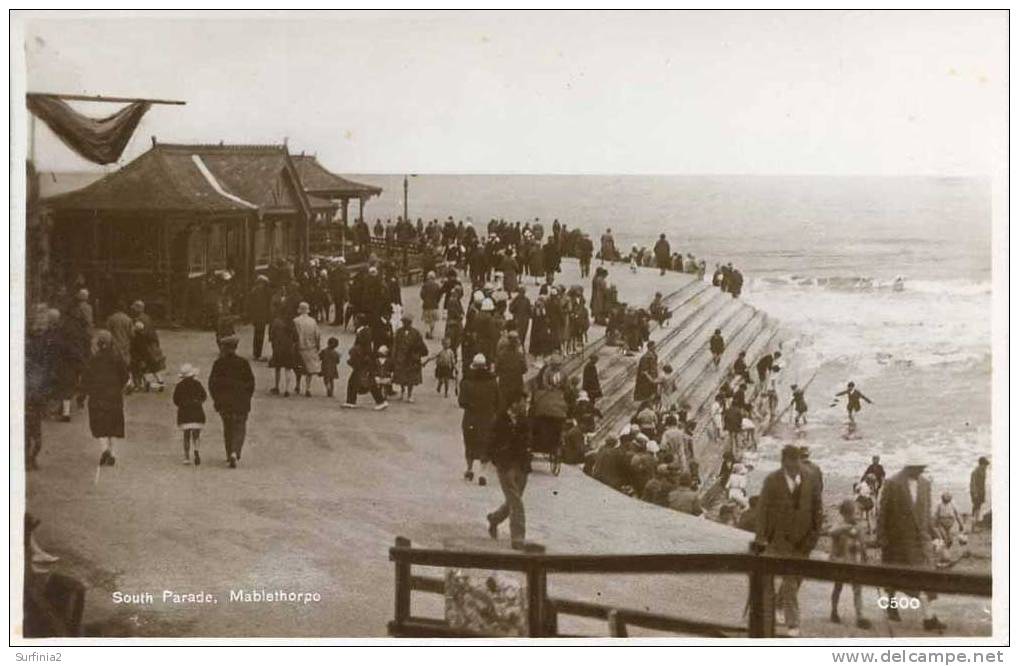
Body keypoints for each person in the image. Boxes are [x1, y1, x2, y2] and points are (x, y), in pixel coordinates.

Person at [753, 445, 823, 638]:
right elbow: (762, 510)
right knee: (789, 582)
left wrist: (814, 536)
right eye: (790, 464)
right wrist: (760, 537)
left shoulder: (811, 478)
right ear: (783, 462)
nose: (794, 468)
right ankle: (792, 624)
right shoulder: (772, 480)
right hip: (778, 539)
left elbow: (818, 509)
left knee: (795, 580)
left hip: (803, 541)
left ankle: (779, 605)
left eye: (797, 463)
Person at [876, 448, 945, 631]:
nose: (922, 470)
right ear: (909, 467)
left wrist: (936, 535)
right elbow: (882, 513)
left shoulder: (925, 484)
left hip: (921, 541)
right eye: (919, 467)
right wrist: (881, 537)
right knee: (893, 577)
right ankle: (892, 605)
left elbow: (927, 514)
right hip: (898, 541)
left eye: (923, 467)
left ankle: (929, 618)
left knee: (927, 580)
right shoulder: (892, 483)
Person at [486, 392, 532, 549]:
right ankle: (518, 538)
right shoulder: (500, 420)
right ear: (514, 403)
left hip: (522, 465)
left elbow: (529, 439)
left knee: (513, 500)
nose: (525, 405)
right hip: (506, 465)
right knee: (516, 501)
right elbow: (491, 440)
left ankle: (494, 519)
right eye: (523, 402)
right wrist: (495, 458)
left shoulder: (525, 420)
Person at [83, 330, 129, 467]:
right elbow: (125, 376)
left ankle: (104, 449)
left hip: (97, 395)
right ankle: (113, 453)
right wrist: (119, 387)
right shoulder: (117, 357)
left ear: (99, 343)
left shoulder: (94, 358)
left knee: (99, 423)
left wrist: (86, 390)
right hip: (114, 395)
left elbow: (86, 377)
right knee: (114, 424)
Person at [207, 336, 255, 468]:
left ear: (224, 348)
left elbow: (212, 384)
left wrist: (216, 399)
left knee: (228, 427)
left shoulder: (218, 364)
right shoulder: (243, 363)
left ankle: (229, 453)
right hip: (241, 401)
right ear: (235, 348)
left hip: (224, 402)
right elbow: (251, 382)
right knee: (240, 427)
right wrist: (247, 397)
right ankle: (235, 451)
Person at [828, 499, 873, 630]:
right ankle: (834, 611)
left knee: (857, 590)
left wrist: (865, 557)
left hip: (855, 563)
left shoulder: (858, 527)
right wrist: (845, 528)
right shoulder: (840, 525)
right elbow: (831, 532)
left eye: (859, 514)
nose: (859, 517)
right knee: (838, 587)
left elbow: (863, 544)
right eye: (856, 513)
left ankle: (860, 616)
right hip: (841, 562)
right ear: (846, 514)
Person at [459, 353, 500, 485]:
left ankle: (470, 469)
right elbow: (498, 402)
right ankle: (482, 473)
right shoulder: (493, 383)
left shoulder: (466, 382)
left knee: (470, 443)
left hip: (471, 418)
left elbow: (462, 402)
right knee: (485, 444)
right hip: (487, 418)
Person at [173, 363, 207, 466]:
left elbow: (175, 400)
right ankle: (196, 450)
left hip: (184, 414)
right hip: (197, 413)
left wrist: (182, 404)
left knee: (186, 435)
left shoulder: (179, 386)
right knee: (196, 435)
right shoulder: (198, 384)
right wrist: (198, 402)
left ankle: (187, 456)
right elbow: (204, 396)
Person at [293, 302, 322, 397]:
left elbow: (294, 335)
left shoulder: (296, 321)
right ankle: (308, 388)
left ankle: (297, 385)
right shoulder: (313, 321)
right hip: (311, 347)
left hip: (299, 347)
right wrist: (318, 345)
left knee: (298, 367)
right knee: (309, 369)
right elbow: (317, 334)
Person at [268, 311, 298, 397]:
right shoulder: (292, 323)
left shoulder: (276, 321)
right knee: (288, 369)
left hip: (278, 347)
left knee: (277, 368)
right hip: (289, 348)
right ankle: (287, 389)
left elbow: (271, 335)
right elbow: (296, 337)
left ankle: (277, 387)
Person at [248, 275, 272, 360]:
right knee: (260, 335)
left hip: (258, 316)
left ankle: (256, 352)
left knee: (257, 334)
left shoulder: (254, 291)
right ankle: (257, 353)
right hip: (261, 316)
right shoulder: (262, 292)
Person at [419, 271, 443, 340]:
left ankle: (427, 332)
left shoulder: (425, 285)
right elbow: (439, 295)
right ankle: (431, 332)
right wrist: (437, 301)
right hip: (434, 305)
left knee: (427, 319)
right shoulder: (437, 285)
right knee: (433, 320)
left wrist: (425, 299)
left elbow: (422, 294)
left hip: (426, 305)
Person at [970, 457, 989, 530]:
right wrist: (975, 493)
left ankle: (976, 524)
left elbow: (982, 484)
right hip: (976, 492)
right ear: (981, 464)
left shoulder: (983, 471)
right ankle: (973, 525)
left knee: (978, 507)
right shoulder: (975, 471)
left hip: (981, 492)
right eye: (985, 465)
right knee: (975, 507)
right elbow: (973, 483)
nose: (986, 467)